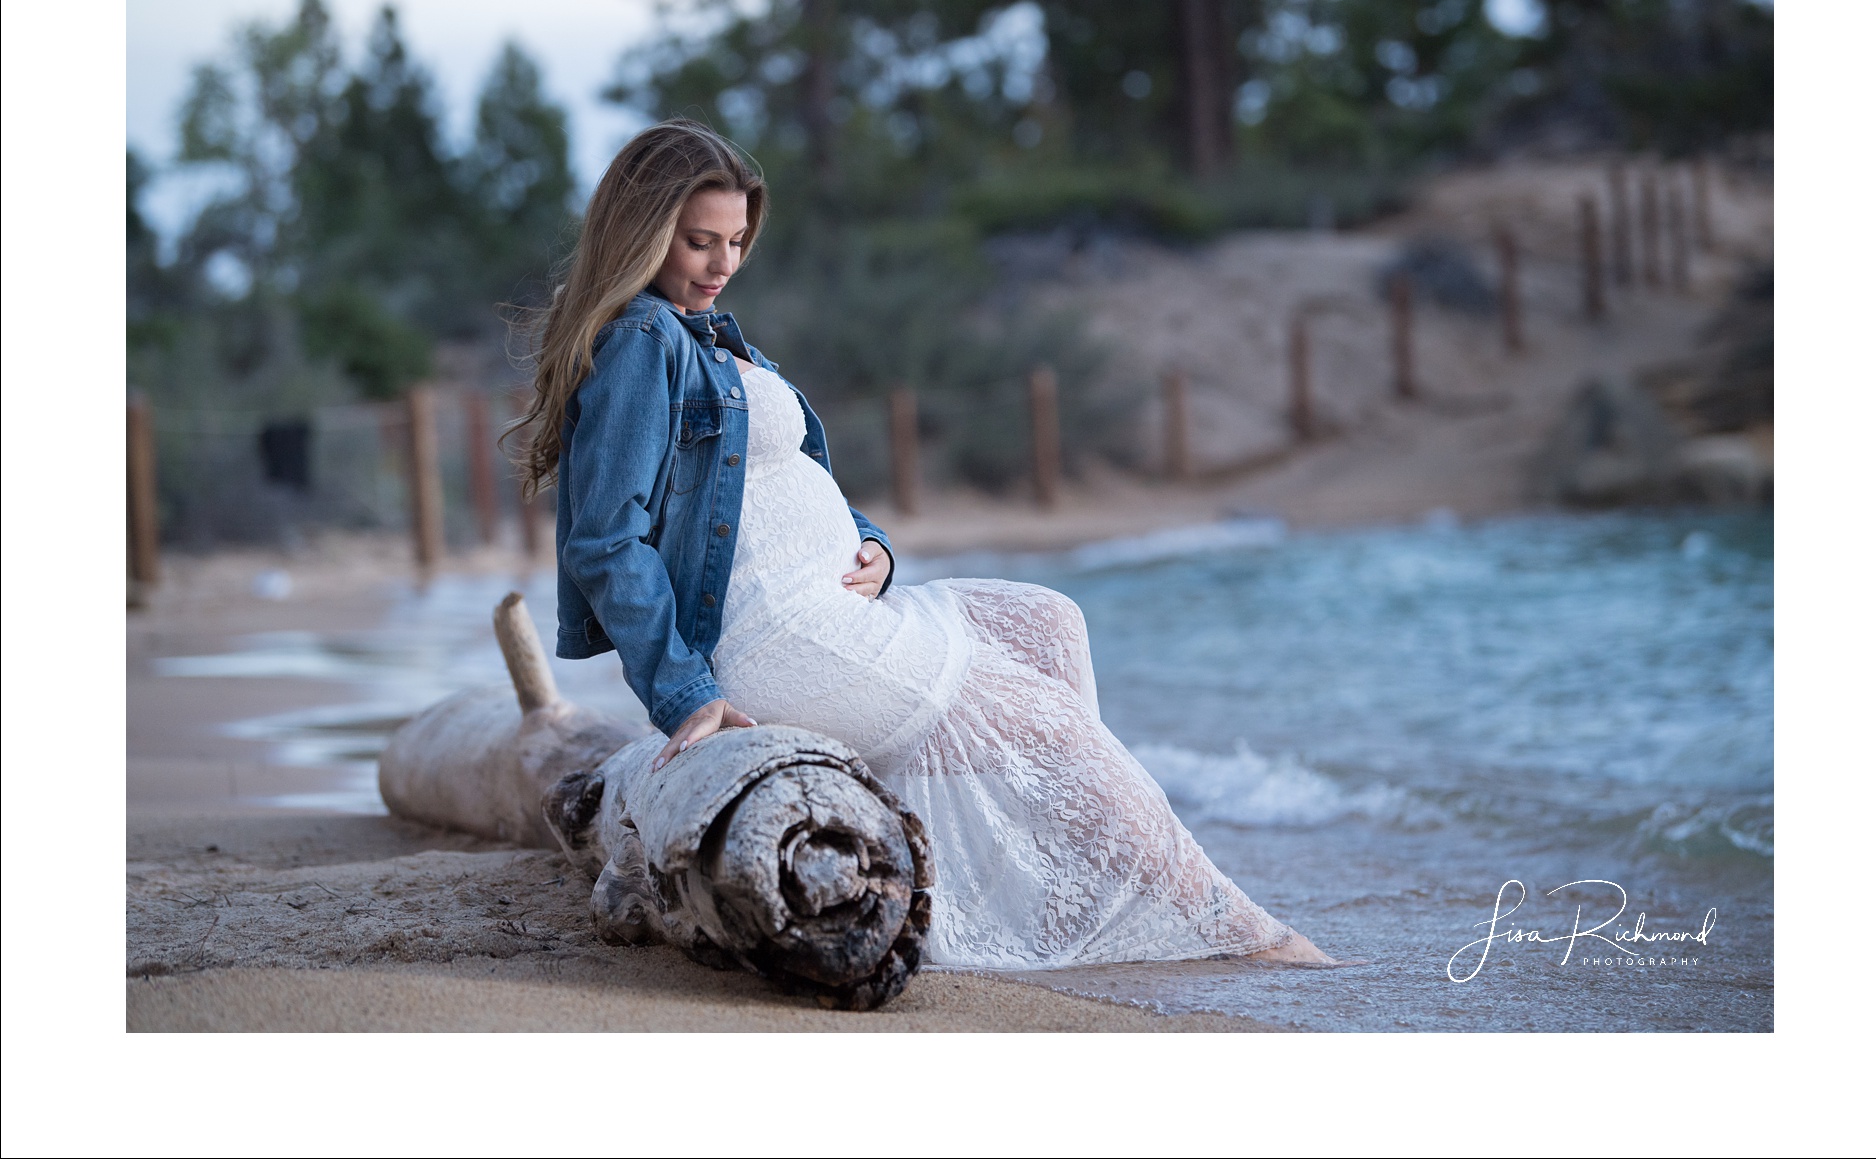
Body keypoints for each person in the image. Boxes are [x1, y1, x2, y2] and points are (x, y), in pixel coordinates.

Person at [512, 119, 1333, 969]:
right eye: (698, 242)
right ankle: (1234, 930)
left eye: (737, 242)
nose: (722, 264)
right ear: (642, 233)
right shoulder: (643, 343)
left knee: (1047, 622)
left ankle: (1052, 885)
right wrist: (683, 694)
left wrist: (873, 546)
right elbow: (608, 542)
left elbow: (768, 482)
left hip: (827, 602)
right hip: (775, 636)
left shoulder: (702, 333)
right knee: (1043, 719)